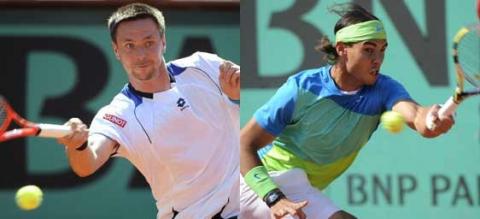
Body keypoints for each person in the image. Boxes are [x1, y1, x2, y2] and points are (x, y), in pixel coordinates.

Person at [240, 3, 453, 219]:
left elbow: (416, 115)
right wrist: (274, 198)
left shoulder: (385, 89)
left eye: (382, 50)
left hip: (300, 189)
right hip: (259, 182)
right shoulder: (302, 88)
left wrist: (431, 119)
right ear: (342, 49)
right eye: (368, 50)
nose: (377, 59)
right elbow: (244, 144)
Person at [57, 3, 240, 219]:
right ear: (116, 50)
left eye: (149, 42)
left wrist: (236, 97)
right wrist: (78, 146)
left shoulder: (205, 66)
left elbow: (260, 113)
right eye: (129, 46)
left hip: (248, 203)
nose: (140, 55)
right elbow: (87, 163)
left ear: (163, 42)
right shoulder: (118, 114)